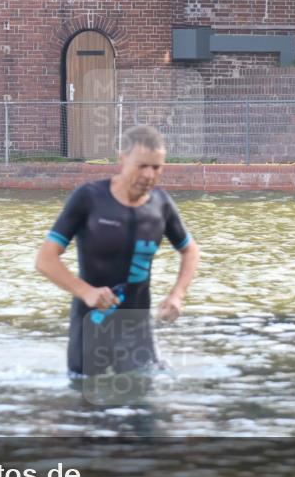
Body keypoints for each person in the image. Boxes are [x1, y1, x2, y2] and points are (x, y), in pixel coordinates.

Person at [35, 125, 200, 379]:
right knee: (87, 407)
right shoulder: (89, 198)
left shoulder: (161, 205)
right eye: (141, 165)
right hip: (92, 327)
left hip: (137, 330)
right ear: (121, 159)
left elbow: (190, 251)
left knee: (142, 411)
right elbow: (45, 259)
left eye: (156, 167)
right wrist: (85, 291)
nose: (149, 175)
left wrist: (177, 295)